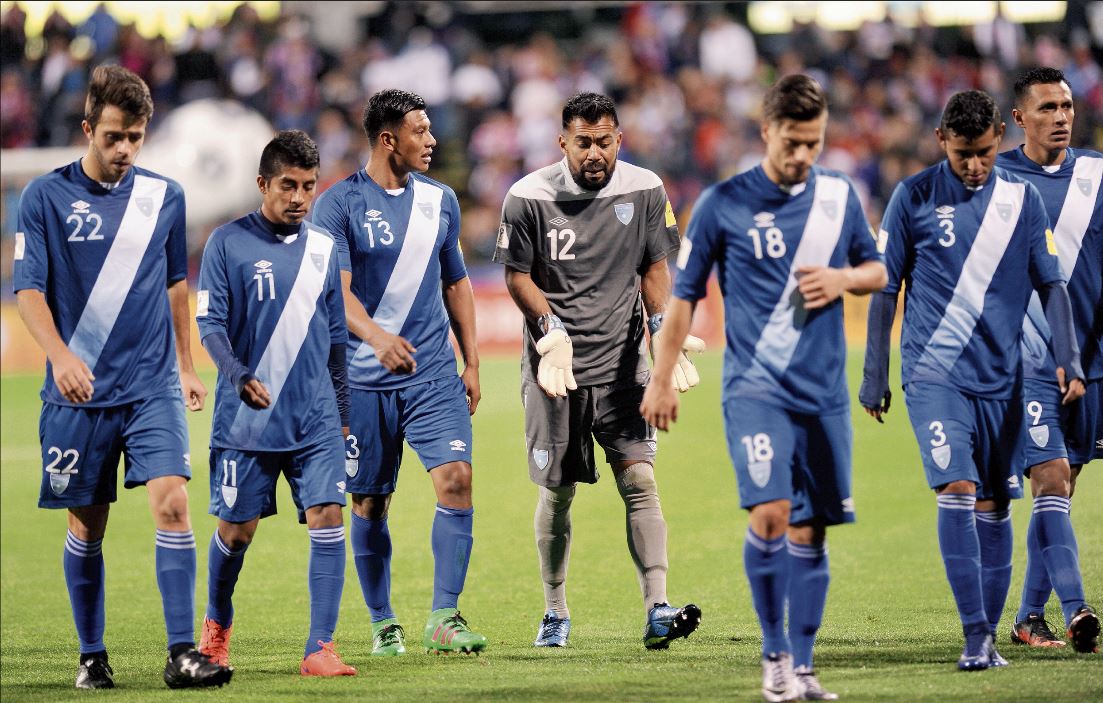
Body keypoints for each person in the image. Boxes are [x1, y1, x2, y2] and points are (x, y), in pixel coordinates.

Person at [643, 74, 887, 702]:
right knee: (773, 514)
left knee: (813, 530)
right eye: (792, 141)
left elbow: (877, 269)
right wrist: (663, 376)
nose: (803, 154)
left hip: (824, 392)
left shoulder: (839, 195)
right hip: (756, 387)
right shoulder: (724, 203)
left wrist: (841, 279)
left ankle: (803, 667)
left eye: (814, 142)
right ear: (766, 132)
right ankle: (774, 656)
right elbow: (684, 300)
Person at [11, 64, 231, 689]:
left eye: (135, 137)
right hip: (77, 392)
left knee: (174, 503)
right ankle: (92, 654)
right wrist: (59, 356)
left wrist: (187, 366)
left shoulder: (164, 197)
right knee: (88, 524)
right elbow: (28, 290)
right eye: (113, 137)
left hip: (149, 385)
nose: (125, 150)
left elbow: (175, 286)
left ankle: (181, 652)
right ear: (88, 129)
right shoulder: (44, 199)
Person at [860, 89, 1085, 670]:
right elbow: (887, 289)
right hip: (935, 376)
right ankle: (976, 636)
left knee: (995, 505)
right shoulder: (912, 197)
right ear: (941, 141)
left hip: (1004, 381)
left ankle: (989, 632)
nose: (976, 165)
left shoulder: (1024, 200)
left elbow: (1052, 284)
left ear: (998, 142)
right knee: (957, 489)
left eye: (985, 153)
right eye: (964, 154)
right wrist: (873, 373)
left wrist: (1068, 358)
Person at [494, 92, 703, 651]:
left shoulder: (646, 189)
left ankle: (658, 607)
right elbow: (517, 277)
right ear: (562, 142)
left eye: (604, 141)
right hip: (555, 372)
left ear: (619, 139)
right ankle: (555, 610)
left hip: (622, 367)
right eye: (583, 142)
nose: (594, 153)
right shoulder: (527, 197)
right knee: (559, 493)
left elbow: (655, 269)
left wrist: (662, 330)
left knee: (639, 478)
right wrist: (550, 330)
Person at [309, 89, 486, 656]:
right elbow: (336, 296)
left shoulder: (441, 201)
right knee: (368, 503)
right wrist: (379, 338)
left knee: (456, 479)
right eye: (421, 131)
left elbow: (456, 281)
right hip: (361, 380)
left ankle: (445, 616)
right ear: (389, 139)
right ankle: (384, 621)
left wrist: (473, 358)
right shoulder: (336, 206)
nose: (432, 141)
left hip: (431, 373)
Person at [194, 130, 356, 676]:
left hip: (314, 417)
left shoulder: (323, 249)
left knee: (329, 516)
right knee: (236, 532)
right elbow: (210, 323)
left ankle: (320, 647)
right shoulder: (226, 243)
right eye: (288, 185)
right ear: (263, 183)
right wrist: (237, 374)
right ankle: (216, 627)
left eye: (309, 187)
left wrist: (342, 415)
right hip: (247, 421)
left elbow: (337, 341)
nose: (300, 197)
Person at [997, 66, 1100, 654]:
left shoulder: (1097, 174)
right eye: (1046, 108)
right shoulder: (995, 179)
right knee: (1051, 476)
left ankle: (1029, 617)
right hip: (1027, 358)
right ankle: (1077, 608)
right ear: (1019, 118)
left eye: (1066, 106)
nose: (1060, 117)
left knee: (1062, 489)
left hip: (1092, 356)